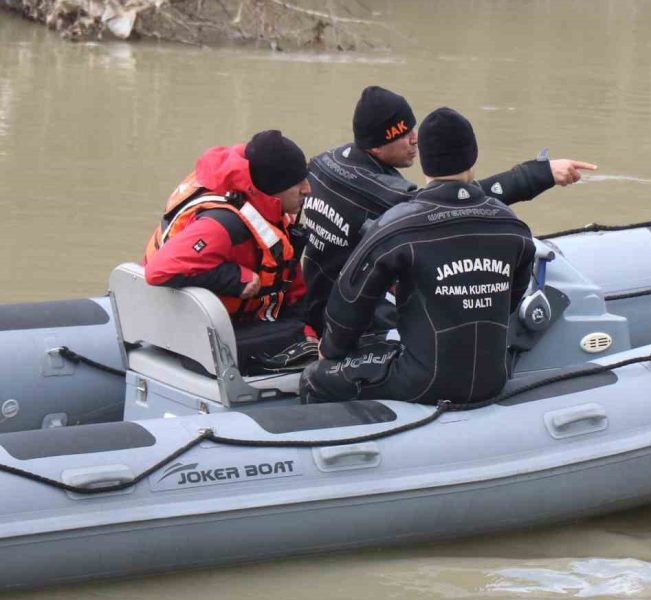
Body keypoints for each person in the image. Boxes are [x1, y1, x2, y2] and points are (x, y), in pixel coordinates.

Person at [298, 85, 596, 332]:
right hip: (338, 317)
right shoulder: (384, 193)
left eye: (412, 127)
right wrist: (539, 173)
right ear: (376, 147)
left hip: (317, 293)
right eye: (403, 134)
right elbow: (457, 200)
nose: (415, 139)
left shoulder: (325, 162)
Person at [300, 107, 536, 405]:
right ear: (473, 156)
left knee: (314, 378)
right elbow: (511, 300)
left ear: (424, 161)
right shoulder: (512, 225)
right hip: (494, 378)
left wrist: (331, 351)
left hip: (421, 382)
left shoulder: (397, 226)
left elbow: (350, 298)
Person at [143, 130, 317, 373]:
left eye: (306, 178)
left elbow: (289, 281)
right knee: (303, 341)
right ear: (272, 187)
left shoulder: (268, 212)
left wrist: (308, 325)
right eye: (297, 183)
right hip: (193, 336)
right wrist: (236, 278)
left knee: (311, 329)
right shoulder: (223, 224)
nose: (307, 189)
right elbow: (158, 271)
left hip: (224, 320)